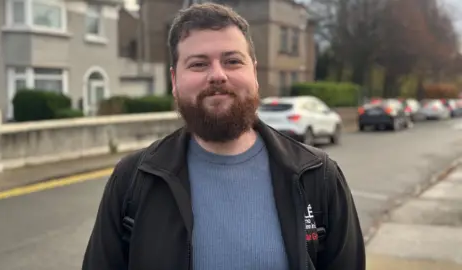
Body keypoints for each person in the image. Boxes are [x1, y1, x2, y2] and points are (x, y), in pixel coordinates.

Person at [82, 3, 365, 270]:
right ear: (174, 81)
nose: (217, 75)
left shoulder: (319, 176)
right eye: (198, 64)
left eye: (232, 61)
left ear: (253, 72)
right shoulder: (133, 180)